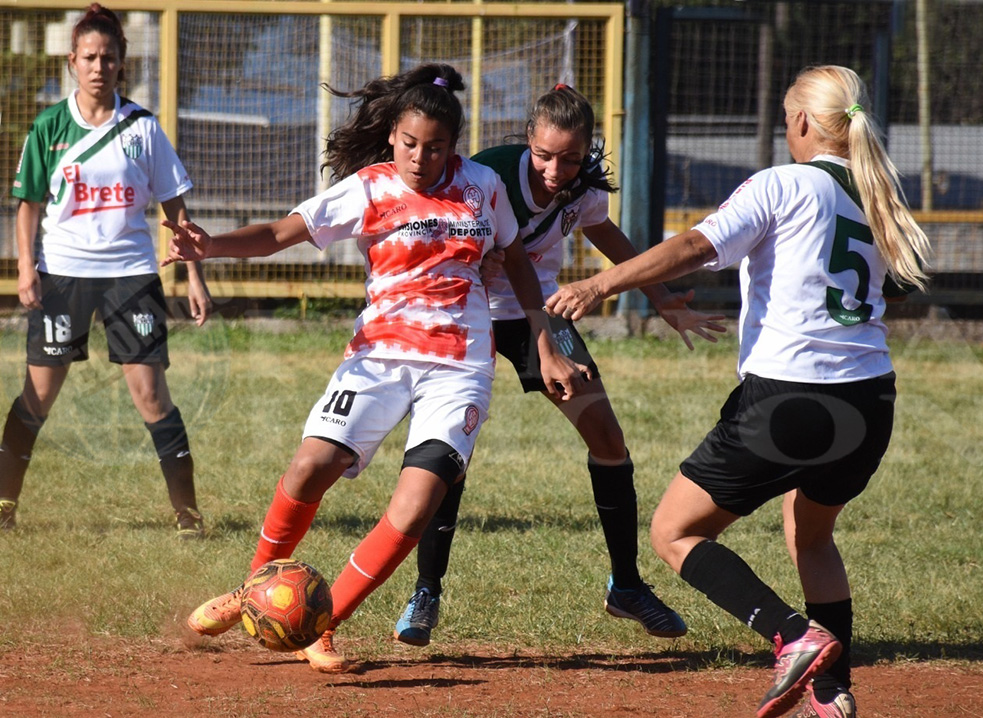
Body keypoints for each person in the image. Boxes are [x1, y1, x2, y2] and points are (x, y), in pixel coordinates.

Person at [171, 63, 586, 673]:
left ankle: (322, 622)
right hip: (379, 357)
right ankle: (252, 592)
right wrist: (213, 245)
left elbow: (515, 259)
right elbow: (282, 232)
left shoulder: (481, 186)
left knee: (416, 506)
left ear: (454, 146)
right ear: (393, 134)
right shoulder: (367, 188)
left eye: (436, 147)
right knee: (310, 466)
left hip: (459, 367)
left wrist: (546, 345)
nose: (421, 157)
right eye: (410, 143)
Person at [546, 65, 930, 718]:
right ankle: (833, 693)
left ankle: (793, 635)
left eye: (787, 119)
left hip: (791, 399)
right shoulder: (877, 191)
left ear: (803, 121)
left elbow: (697, 245)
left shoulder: (783, 183)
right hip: (871, 404)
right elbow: (897, 290)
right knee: (811, 535)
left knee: (674, 532)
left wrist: (598, 284)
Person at [393, 84, 726, 647]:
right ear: (528, 140)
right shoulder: (490, 174)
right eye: (544, 155)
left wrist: (665, 300)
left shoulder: (583, 184)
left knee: (608, 438)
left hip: (539, 313)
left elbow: (604, 232)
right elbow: (458, 234)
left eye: (570, 158)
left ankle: (626, 586)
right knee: (449, 451)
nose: (555, 170)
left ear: (586, 150)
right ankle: (426, 590)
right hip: (468, 312)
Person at [3, 3, 213, 538]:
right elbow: (28, 206)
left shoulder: (142, 127)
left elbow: (174, 205)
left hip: (130, 274)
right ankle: (3, 504)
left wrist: (194, 276)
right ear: (72, 61)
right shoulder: (49, 126)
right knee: (38, 396)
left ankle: (187, 514)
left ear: (122, 62)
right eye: (90, 57)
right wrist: (26, 268)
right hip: (63, 274)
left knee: (151, 396)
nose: (100, 67)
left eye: (110, 58)